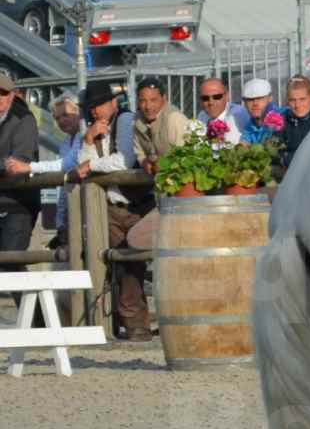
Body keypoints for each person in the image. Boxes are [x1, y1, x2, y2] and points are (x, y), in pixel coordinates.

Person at [75, 79, 152, 341]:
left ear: (113, 102)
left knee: (132, 264)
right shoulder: (94, 128)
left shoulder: (125, 120)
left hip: (134, 204)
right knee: (117, 265)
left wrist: (92, 165)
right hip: (110, 205)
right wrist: (88, 140)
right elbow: (80, 164)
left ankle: (135, 322)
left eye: (99, 105)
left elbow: (125, 160)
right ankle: (128, 322)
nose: (95, 111)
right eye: (92, 106)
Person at [4, 91, 82, 245]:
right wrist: (60, 221)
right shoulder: (66, 142)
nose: (61, 121)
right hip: (72, 208)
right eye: (57, 118)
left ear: (78, 112)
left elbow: (65, 164)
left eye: (65, 115)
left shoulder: (82, 136)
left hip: (86, 206)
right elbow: (63, 186)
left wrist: (29, 167)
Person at [0, 72, 42, 316]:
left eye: (3, 94)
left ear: (13, 94)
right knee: (8, 264)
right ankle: (37, 321)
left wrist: (8, 165)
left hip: (19, 203)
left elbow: (19, 161)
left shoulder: (23, 118)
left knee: (11, 262)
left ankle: (38, 322)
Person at [133, 76, 192, 175]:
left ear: (164, 99)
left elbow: (185, 155)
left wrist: (165, 163)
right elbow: (139, 153)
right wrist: (144, 162)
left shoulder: (174, 118)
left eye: (153, 100)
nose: (148, 106)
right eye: (143, 101)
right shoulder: (137, 120)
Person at [280, 76, 310, 167]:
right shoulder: (283, 119)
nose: (297, 105)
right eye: (292, 100)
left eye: (302, 99)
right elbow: (272, 151)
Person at [196, 77, 250, 144]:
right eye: (205, 98)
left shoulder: (236, 115)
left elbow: (229, 145)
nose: (211, 102)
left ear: (227, 96)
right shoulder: (202, 115)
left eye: (217, 97)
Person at [241, 79, 284, 144]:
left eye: (259, 98)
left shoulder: (285, 116)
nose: (255, 103)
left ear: (270, 98)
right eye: (250, 99)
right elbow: (243, 147)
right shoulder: (250, 126)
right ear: (244, 102)